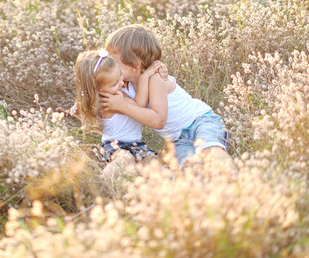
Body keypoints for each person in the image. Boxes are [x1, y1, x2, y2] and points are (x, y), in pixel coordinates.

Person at [99, 24, 235, 172]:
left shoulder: (156, 79)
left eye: (113, 61)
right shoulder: (122, 84)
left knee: (210, 150)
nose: (109, 66)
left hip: (200, 121)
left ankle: (236, 182)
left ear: (135, 64)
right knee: (188, 166)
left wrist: (122, 106)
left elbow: (158, 120)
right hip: (177, 140)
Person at [73, 49, 170, 180]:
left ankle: (166, 185)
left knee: (151, 161)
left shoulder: (114, 94)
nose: (121, 83)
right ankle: (103, 183)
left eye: (119, 77)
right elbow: (139, 104)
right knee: (125, 159)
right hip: (114, 145)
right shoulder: (109, 102)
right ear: (97, 89)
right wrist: (145, 76)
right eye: (114, 84)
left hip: (136, 144)